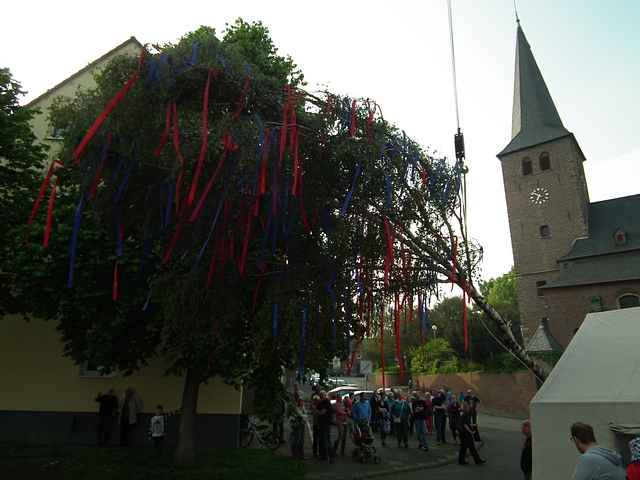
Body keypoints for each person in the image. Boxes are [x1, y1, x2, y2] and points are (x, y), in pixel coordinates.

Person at [458, 401, 485, 466]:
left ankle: (462, 461)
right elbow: (465, 425)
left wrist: (472, 424)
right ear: (466, 407)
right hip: (465, 433)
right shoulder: (465, 414)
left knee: (464, 447)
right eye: (468, 406)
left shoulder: (464, 413)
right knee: (471, 447)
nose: (469, 407)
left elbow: (465, 423)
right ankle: (477, 460)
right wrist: (471, 431)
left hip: (462, 433)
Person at [315, 390, 333, 461]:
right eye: (320, 395)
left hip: (325, 423)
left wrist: (318, 412)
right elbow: (316, 411)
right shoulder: (322, 402)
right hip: (323, 423)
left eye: (321, 395)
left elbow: (321, 412)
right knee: (324, 439)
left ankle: (326, 455)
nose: (321, 397)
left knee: (325, 439)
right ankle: (325, 455)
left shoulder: (326, 402)